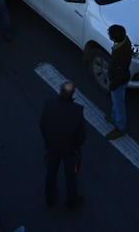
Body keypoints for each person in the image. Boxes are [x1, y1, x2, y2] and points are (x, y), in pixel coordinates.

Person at [40, 81, 85, 209]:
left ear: (60, 91)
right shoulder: (77, 111)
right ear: (72, 94)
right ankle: (71, 202)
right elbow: (81, 136)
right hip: (69, 149)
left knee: (51, 171)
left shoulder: (49, 105)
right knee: (70, 176)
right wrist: (75, 146)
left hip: (52, 146)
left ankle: (50, 197)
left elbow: (42, 125)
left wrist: (49, 141)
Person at [106, 24, 132, 140]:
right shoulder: (125, 41)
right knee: (116, 100)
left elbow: (119, 73)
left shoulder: (119, 53)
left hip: (118, 80)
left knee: (118, 102)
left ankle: (120, 126)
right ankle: (114, 116)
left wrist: (112, 84)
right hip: (121, 77)